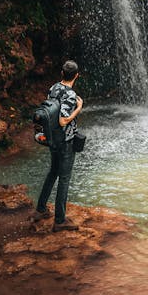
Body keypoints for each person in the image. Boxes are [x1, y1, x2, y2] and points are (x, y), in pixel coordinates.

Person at [32, 60, 83, 231]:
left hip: (52, 137)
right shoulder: (70, 95)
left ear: (62, 74)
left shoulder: (53, 88)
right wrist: (79, 108)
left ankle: (40, 210)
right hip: (65, 141)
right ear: (76, 75)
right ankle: (60, 221)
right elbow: (63, 120)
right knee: (64, 178)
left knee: (53, 171)